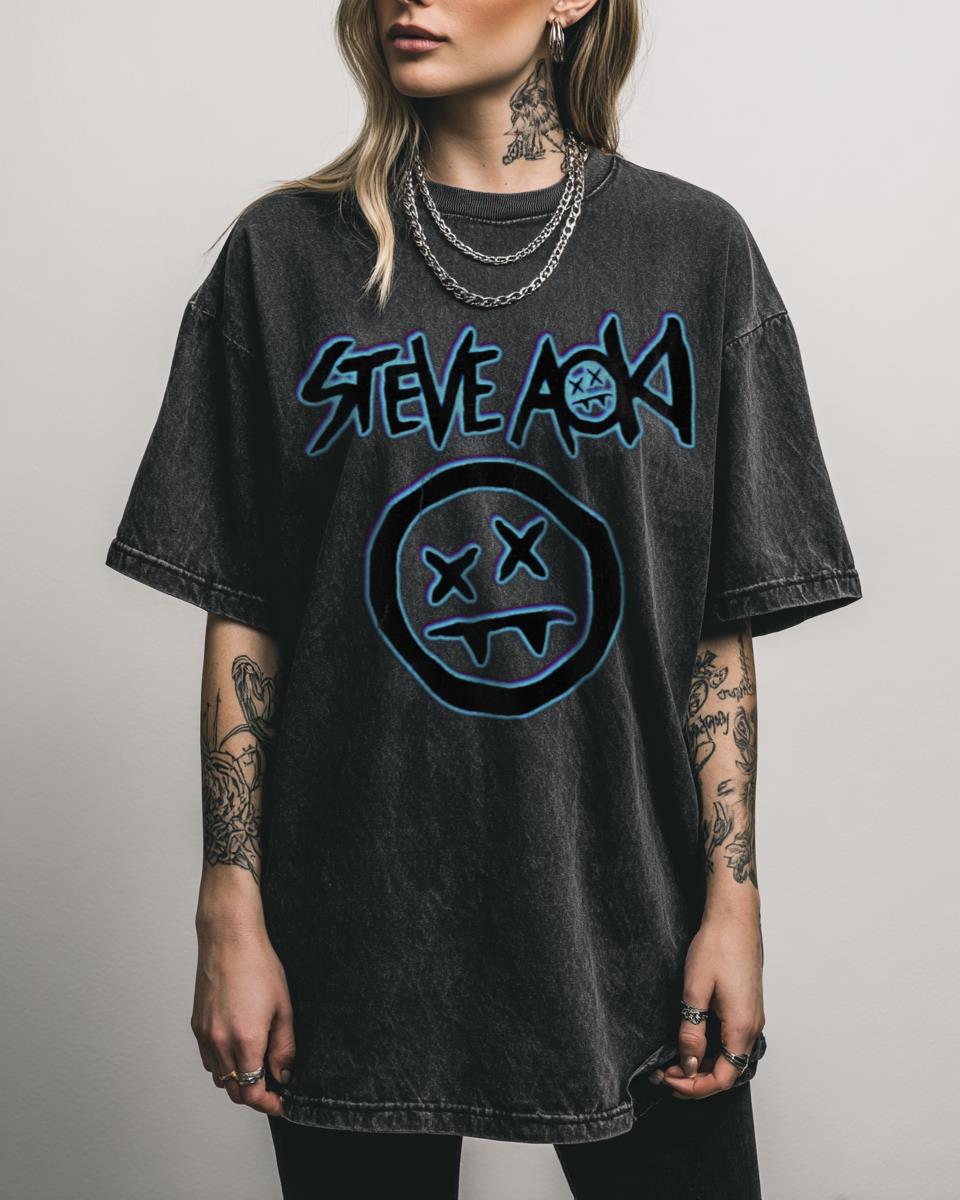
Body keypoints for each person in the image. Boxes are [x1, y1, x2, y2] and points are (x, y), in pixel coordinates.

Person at [104, 0, 863, 1195]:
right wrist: (229, 906)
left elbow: (715, 632)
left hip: (632, 921)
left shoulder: (694, 252)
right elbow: (245, 610)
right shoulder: (285, 256)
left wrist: (734, 902)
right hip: (352, 930)